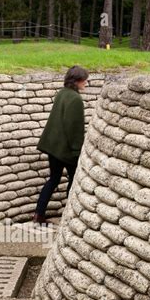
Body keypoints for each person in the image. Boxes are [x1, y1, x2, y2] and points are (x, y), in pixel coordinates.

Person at [33, 65, 89, 224]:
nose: (86, 83)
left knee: (53, 179)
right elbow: (74, 127)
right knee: (74, 180)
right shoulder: (76, 99)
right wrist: (77, 151)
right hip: (65, 150)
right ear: (77, 81)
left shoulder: (62, 93)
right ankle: (70, 216)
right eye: (84, 80)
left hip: (53, 147)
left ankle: (39, 214)